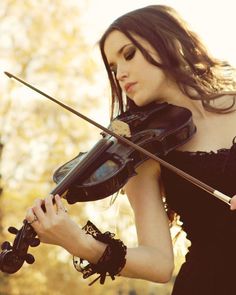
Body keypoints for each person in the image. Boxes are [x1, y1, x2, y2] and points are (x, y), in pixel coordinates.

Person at [26, 5, 236, 294]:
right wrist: (79, 243)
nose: (121, 74)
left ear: (168, 41)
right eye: (113, 68)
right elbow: (160, 264)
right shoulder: (142, 152)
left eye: (128, 54)